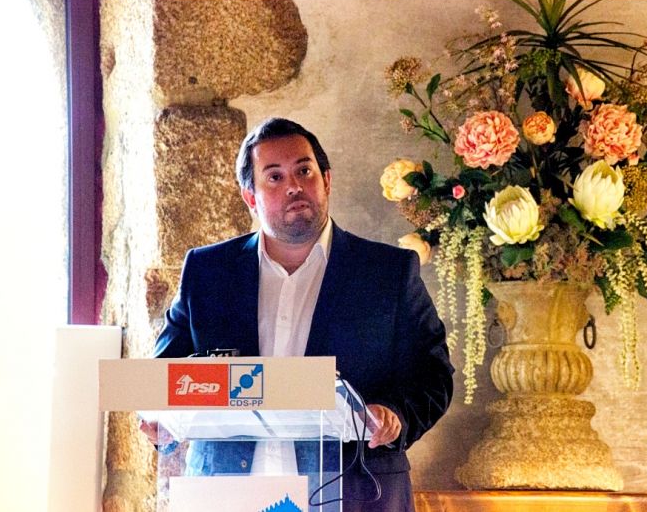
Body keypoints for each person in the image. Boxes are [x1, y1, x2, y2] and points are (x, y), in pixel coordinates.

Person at [141, 117, 454, 511]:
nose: (293, 186)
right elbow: (163, 375)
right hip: (227, 494)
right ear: (250, 197)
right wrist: (158, 417)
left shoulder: (387, 272)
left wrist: (396, 414)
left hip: (353, 493)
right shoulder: (208, 272)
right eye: (274, 177)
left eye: (304, 171)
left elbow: (433, 374)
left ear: (327, 180)